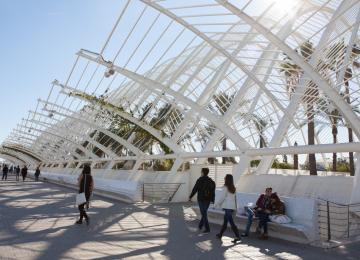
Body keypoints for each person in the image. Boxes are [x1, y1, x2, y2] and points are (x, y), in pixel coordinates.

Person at [215, 174, 241, 243]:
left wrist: (216, 204)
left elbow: (222, 197)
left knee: (231, 223)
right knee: (225, 222)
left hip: (227, 207)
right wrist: (235, 208)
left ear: (227, 179)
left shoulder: (225, 187)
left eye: (225, 177)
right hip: (231, 208)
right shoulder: (233, 188)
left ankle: (238, 236)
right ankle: (220, 234)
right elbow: (235, 199)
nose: (224, 178)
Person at [189, 167, 216, 233]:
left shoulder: (199, 180)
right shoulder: (211, 181)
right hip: (208, 199)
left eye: (201, 172)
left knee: (203, 213)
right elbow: (213, 191)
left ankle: (207, 228)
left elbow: (195, 189)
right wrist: (212, 199)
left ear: (203, 172)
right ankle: (200, 225)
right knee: (204, 213)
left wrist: (190, 196)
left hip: (201, 199)